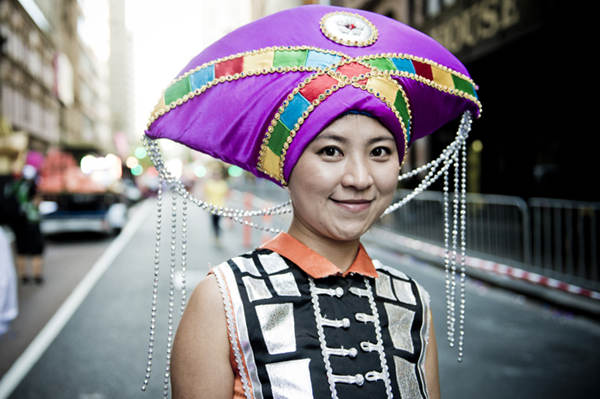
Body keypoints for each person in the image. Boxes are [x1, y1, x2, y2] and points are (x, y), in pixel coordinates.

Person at [142, 5, 481, 398]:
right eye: (331, 152)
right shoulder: (221, 301)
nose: (359, 179)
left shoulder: (412, 300)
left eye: (380, 152)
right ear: (287, 169)